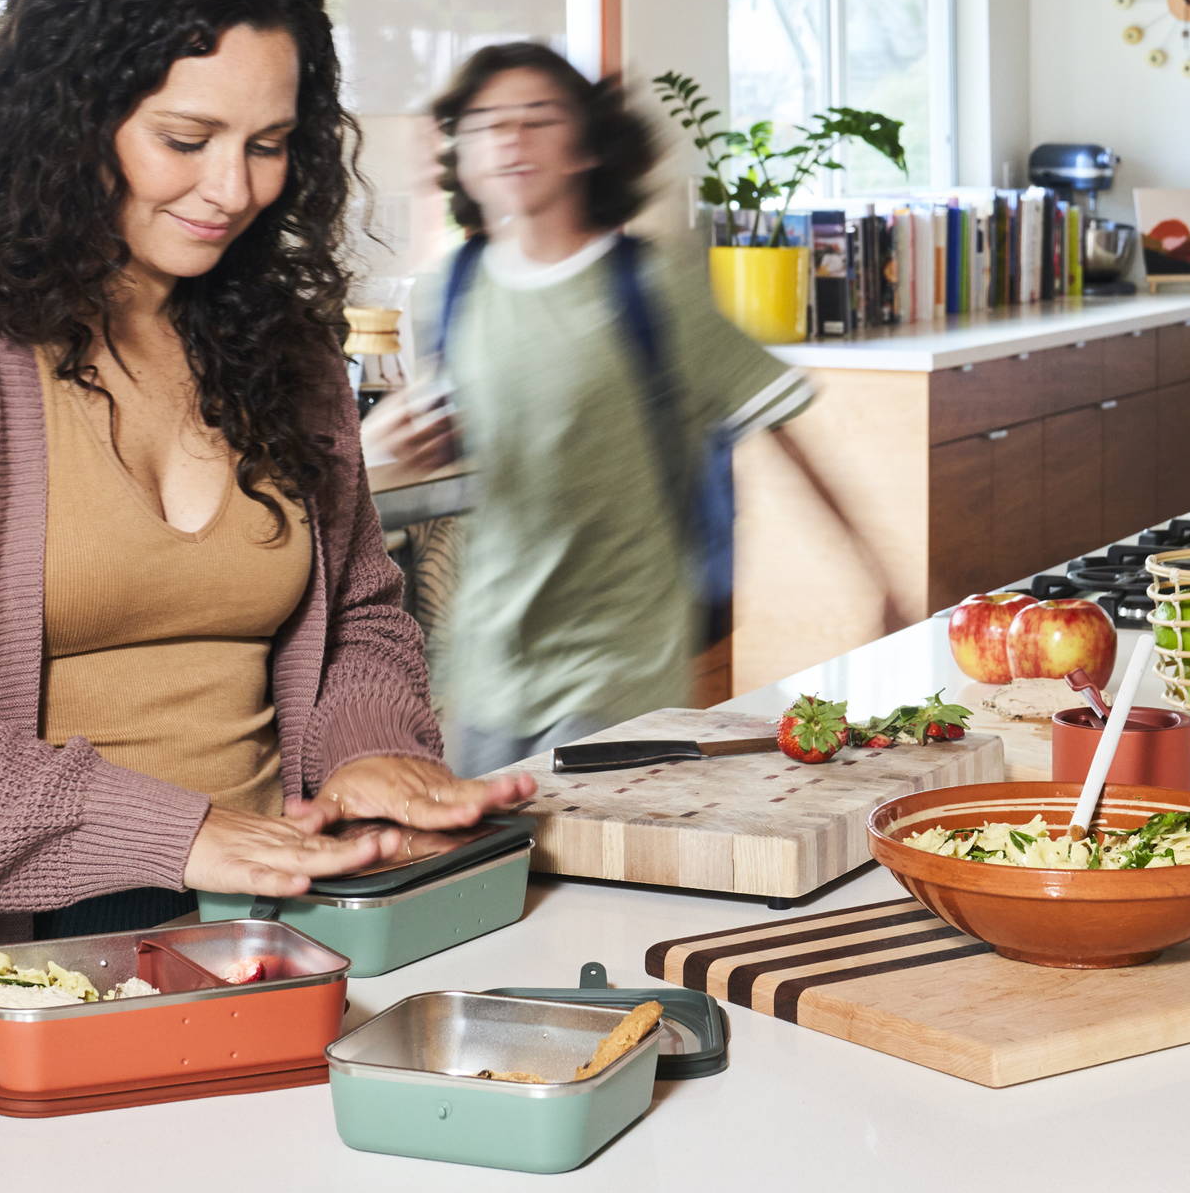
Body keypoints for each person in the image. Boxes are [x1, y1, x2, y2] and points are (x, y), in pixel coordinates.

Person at [0, 0, 533, 1074]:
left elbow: (358, 612)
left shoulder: (284, 347)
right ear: (73, 115)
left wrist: (363, 749)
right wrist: (176, 831)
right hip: (1, 979)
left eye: (269, 145)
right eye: (185, 138)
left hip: (264, 949)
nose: (233, 189)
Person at [364, 42, 894, 775]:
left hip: (615, 666)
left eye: (536, 119)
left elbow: (781, 425)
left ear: (585, 145)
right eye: (486, 124)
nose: (509, 140)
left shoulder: (652, 285)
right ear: (463, 150)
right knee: (487, 877)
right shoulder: (450, 288)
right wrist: (393, 445)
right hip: (486, 669)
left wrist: (877, 573)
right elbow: (473, 443)